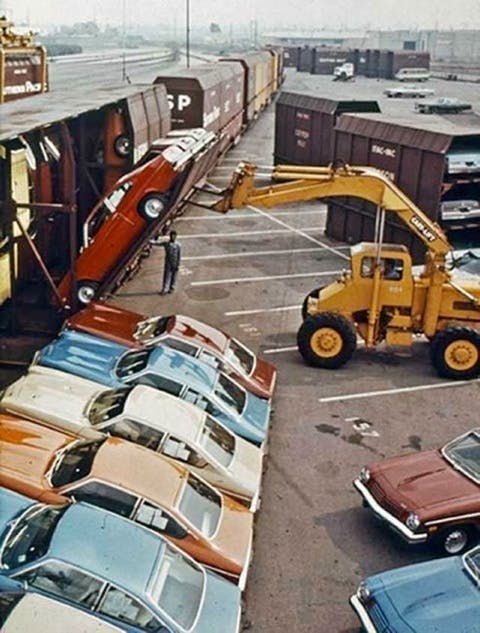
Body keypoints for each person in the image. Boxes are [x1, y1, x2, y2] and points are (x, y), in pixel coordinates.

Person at [152, 230, 182, 294]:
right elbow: (157, 243)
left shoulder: (178, 245)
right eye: (172, 236)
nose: (173, 237)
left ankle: (172, 288)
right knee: (166, 275)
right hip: (168, 262)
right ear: (170, 236)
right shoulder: (166, 243)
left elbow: (179, 255)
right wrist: (150, 241)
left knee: (174, 276)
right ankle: (164, 288)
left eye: (174, 236)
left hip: (175, 262)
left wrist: (178, 265)